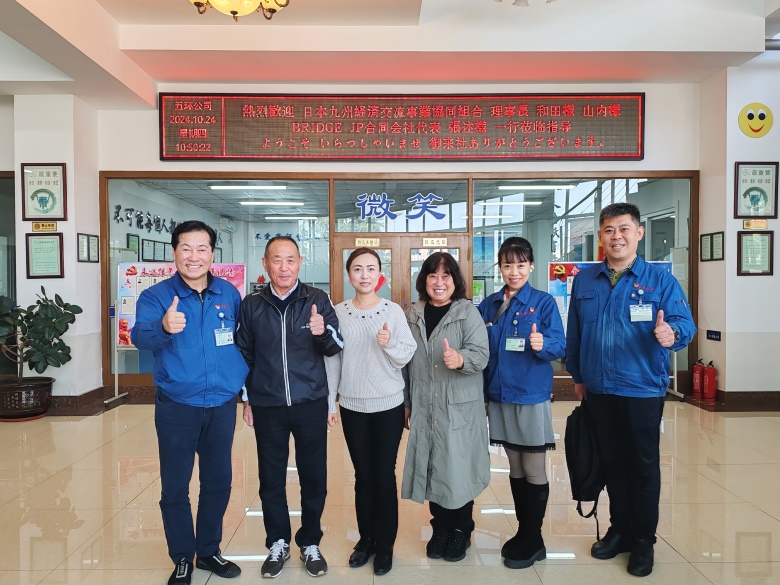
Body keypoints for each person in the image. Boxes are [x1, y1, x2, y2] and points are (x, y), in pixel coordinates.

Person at [566, 202, 696, 578]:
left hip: (642, 389)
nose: (616, 236)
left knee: (642, 466)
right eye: (609, 230)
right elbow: (575, 332)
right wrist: (578, 375)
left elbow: (684, 323)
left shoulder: (659, 281)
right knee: (611, 463)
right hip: (599, 388)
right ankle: (619, 530)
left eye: (624, 229)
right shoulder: (585, 280)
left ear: (639, 233)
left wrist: (672, 333)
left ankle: (643, 540)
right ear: (600, 236)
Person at [131, 220, 248, 585]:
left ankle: (208, 550)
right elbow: (139, 337)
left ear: (212, 254)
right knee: (175, 485)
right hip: (177, 404)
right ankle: (182, 556)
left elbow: (242, 343)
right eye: (186, 248)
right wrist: (163, 327)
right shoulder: (156, 296)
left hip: (221, 403)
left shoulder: (228, 293)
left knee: (219, 480)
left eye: (202, 249)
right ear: (174, 252)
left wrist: (246, 393)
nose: (194, 256)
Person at [235, 235, 343, 579]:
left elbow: (336, 345)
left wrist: (322, 331)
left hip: (310, 402)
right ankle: (278, 542)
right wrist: (247, 398)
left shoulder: (317, 299)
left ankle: (310, 542)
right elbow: (243, 353)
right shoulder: (251, 304)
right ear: (266, 264)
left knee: (313, 476)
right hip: (267, 404)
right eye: (277, 260)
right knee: (271, 477)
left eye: (290, 260)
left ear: (300, 262)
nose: (284, 267)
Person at [324, 248, 416, 576]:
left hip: (388, 404)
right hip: (352, 405)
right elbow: (332, 360)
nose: (365, 275)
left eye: (371, 269)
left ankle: (385, 545)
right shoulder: (338, 312)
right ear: (349, 275)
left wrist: (388, 343)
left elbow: (406, 354)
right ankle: (366, 540)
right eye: (358, 269)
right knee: (362, 476)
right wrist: (330, 402)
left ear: (380, 275)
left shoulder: (392, 311)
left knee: (383, 475)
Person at [477, 237, 565, 569]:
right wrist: (484, 395)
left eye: (521, 264)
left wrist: (543, 344)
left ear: (531, 266)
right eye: (507, 265)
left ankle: (534, 538)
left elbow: (560, 346)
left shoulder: (543, 303)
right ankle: (524, 531)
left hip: (529, 396)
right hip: (500, 395)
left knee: (533, 468)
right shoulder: (489, 304)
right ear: (500, 268)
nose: (514, 271)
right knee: (514, 467)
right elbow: (481, 352)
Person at [402, 252, 490, 563]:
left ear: (455, 281)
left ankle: (461, 530)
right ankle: (440, 528)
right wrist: (408, 403)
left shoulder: (467, 313)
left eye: (446, 276)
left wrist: (461, 358)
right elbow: (406, 364)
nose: (439, 282)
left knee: (458, 468)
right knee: (432, 465)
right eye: (432, 275)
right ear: (423, 280)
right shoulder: (412, 315)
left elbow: (481, 353)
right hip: (425, 405)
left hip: (458, 407)